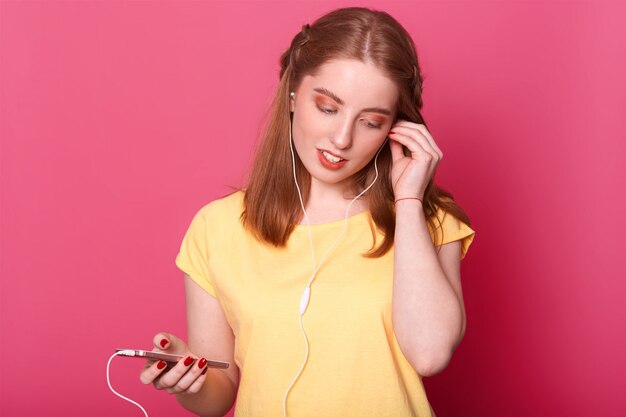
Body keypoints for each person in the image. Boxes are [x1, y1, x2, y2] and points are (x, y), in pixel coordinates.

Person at [139, 6, 475, 417]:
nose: (341, 138)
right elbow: (219, 393)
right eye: (328, 108)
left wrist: (407, 199)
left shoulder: (429, 221)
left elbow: (429, 354)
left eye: (370, 121)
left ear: (396, 129)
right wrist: (186, 381)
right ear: (294, 94)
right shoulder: (217, 228)